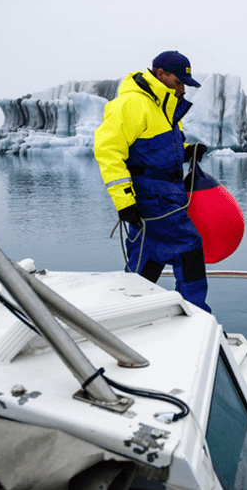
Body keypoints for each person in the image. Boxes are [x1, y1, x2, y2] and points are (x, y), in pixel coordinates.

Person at [94, 51, 211, 312]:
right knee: (189, 250)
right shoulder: (133, 103)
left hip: (167, 195)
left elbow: (154, 153)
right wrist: (124, 202)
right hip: (154, 199)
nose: (183, 89)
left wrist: (187, 152)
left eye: (185, 84)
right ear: (161, 74)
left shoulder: (164, 106)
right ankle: (197, 316)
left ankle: (129, 313)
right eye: (179, 82)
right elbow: (108, 151)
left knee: (148, 256)